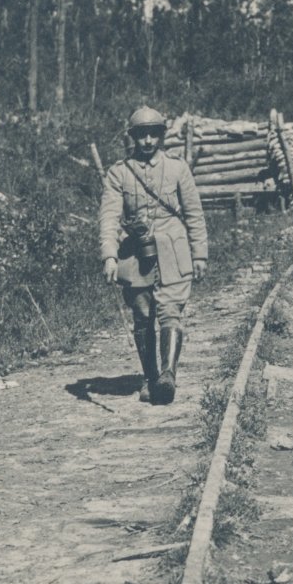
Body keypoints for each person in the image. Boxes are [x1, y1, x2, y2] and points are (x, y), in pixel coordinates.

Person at [99, 107, 208, 405]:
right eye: (141, 135)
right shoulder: (119, 173)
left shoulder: (177, 169)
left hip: (173, 251)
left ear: (161, 135)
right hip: (135, 256)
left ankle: (167, 375)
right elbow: (109, 217)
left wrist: (200, 254)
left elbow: (194, 214)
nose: (147, 140)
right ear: (133, 137)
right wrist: (109, 255)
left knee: (171, 311)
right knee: (144, 317)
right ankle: (150, 378)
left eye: (153, 134)